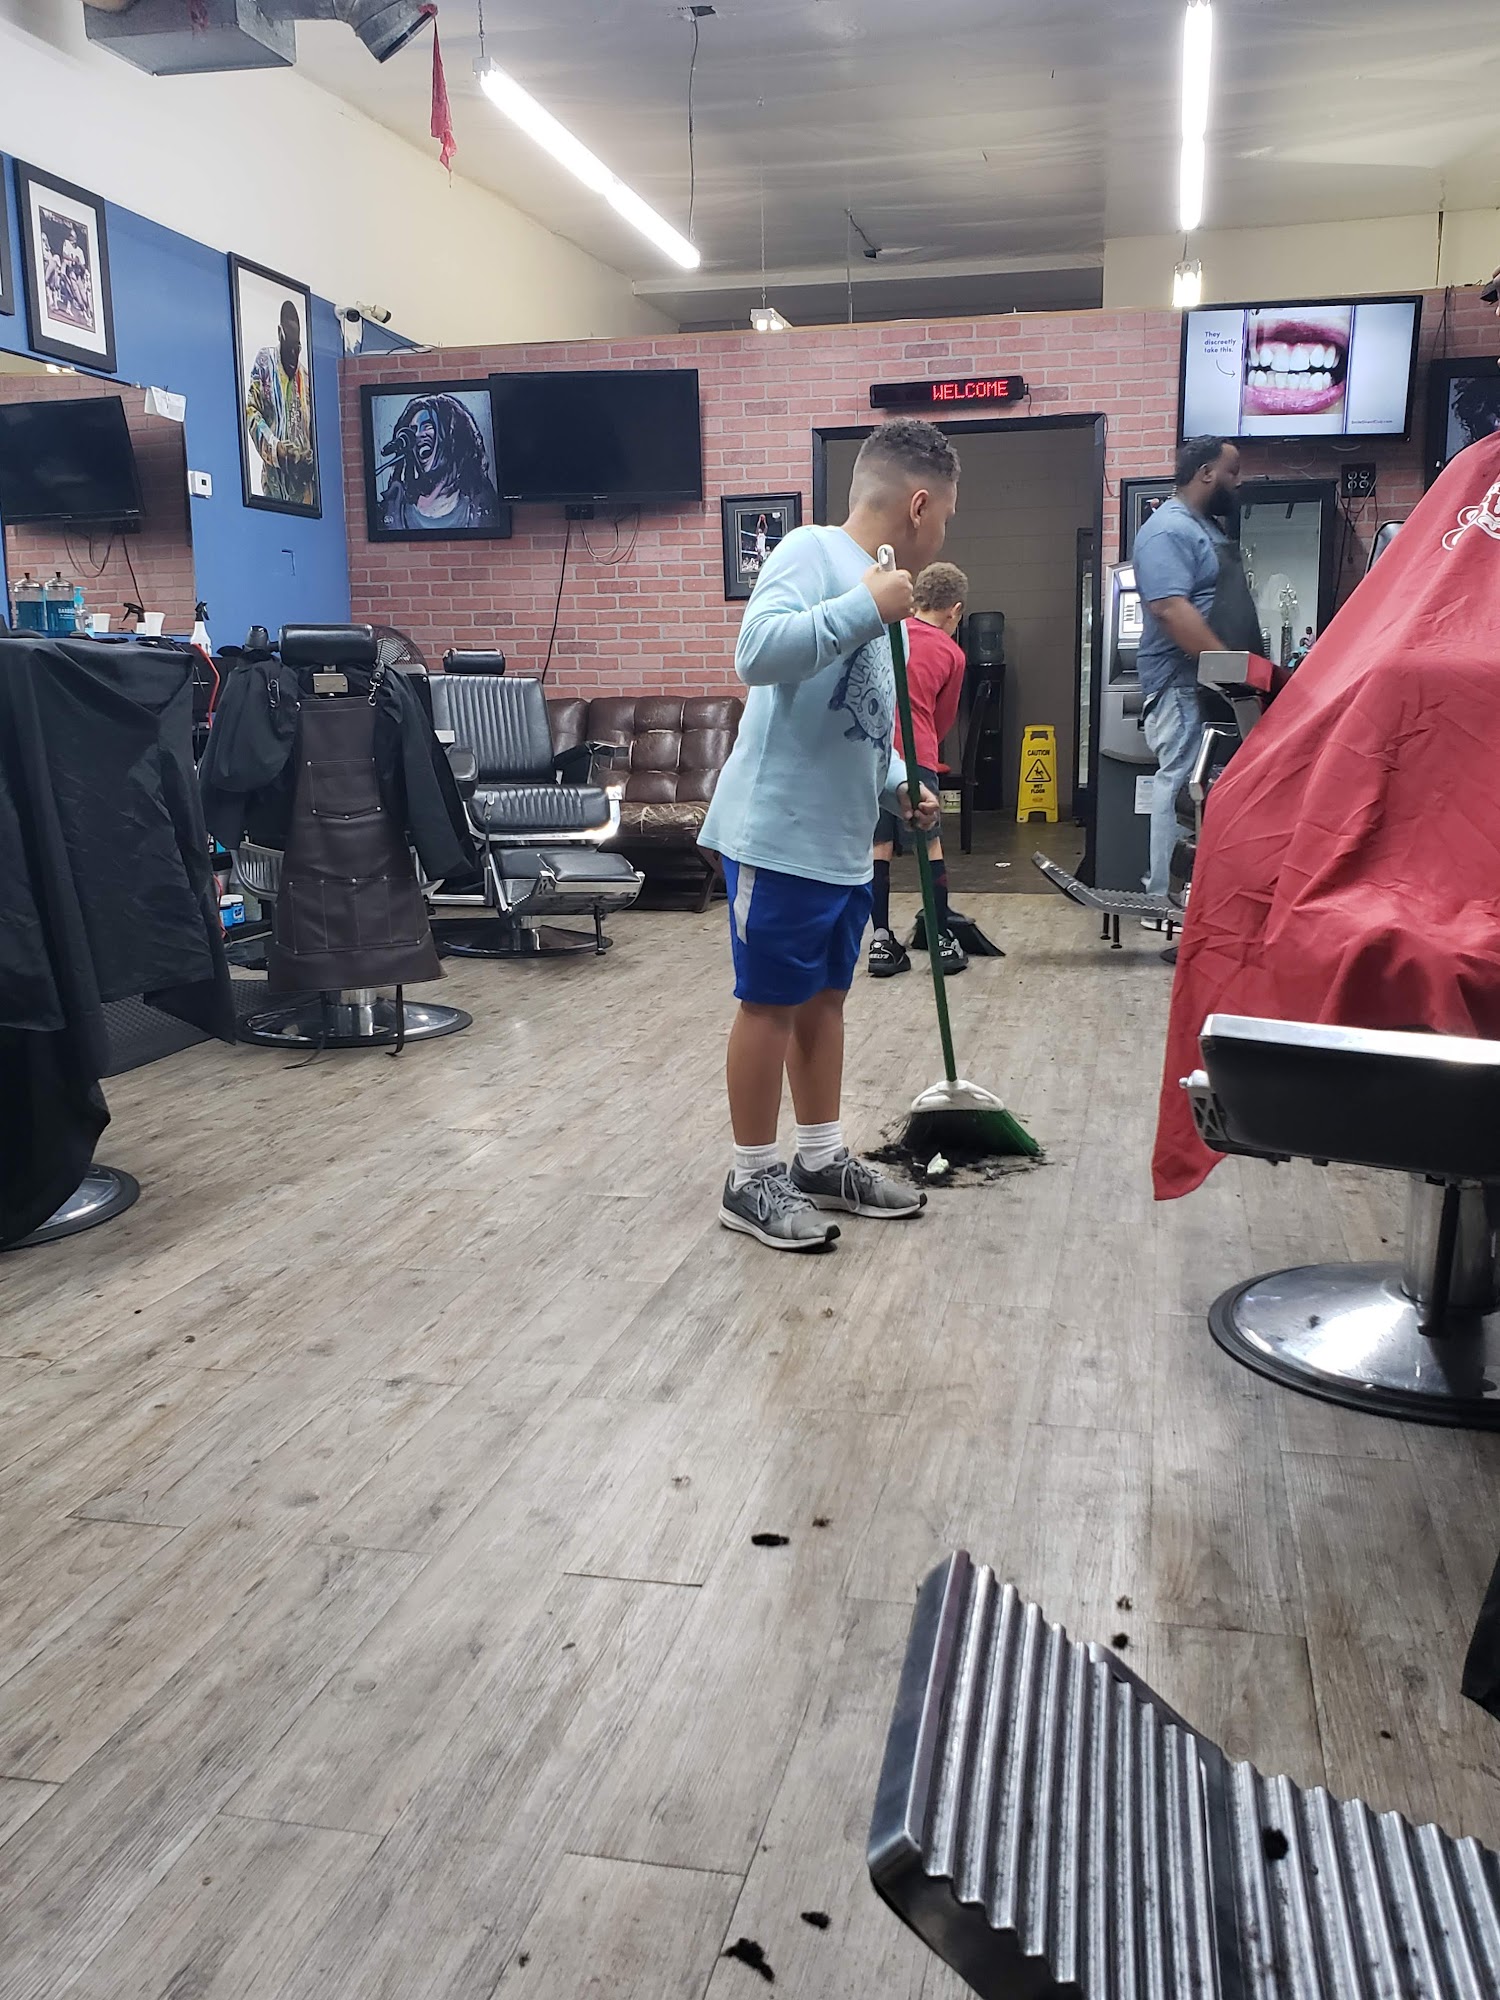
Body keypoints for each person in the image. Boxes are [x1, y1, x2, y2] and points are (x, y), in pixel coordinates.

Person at [701, 417, 956, 1251]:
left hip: (842, 847)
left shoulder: (885, 593)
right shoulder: (812, 552)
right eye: (947, 517)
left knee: (825, 1002)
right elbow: (756, 654)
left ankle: (818, 1159)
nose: (944, 534)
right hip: (779, 838)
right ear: (918, 505)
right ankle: (750, 1177)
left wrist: (899, 782)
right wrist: (862, 608)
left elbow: (862, 720)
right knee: (770, 1004)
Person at [1131, 435, 1260, 911]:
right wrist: (1227, 668)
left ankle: (1198, 901)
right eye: (1232, 471)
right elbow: (1168, 607)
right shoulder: (1168, 530)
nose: (1238, 482)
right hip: (1183, 685)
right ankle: (1165, 901)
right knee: (1184, 784)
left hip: (1212, 687)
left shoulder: (1203, 529)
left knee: (1203, 787)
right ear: (1206, 473)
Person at [868, 559, 970, 978]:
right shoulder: (952, 653)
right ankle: (941, 939)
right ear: (955, 610)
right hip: (916, 755)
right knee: (929, 843)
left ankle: (880, 942)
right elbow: (943, 719)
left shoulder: (886, 633)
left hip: (872, 753)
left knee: (878, 846)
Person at [378, 392, 502, 532]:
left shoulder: (482, 505)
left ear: (452, 438)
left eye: (427, 426)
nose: (418, 435)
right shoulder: (393, 506)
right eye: (413, 430)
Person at [246, 300, 316, 508]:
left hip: (304, 488)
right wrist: (277, 448)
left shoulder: (306, 378)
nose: (294, 355)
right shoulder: (265, 362)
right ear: (279, 334)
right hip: (274, 482)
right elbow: (251, 411)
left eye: (297, 348)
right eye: (289, 347)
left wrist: (309, 459)